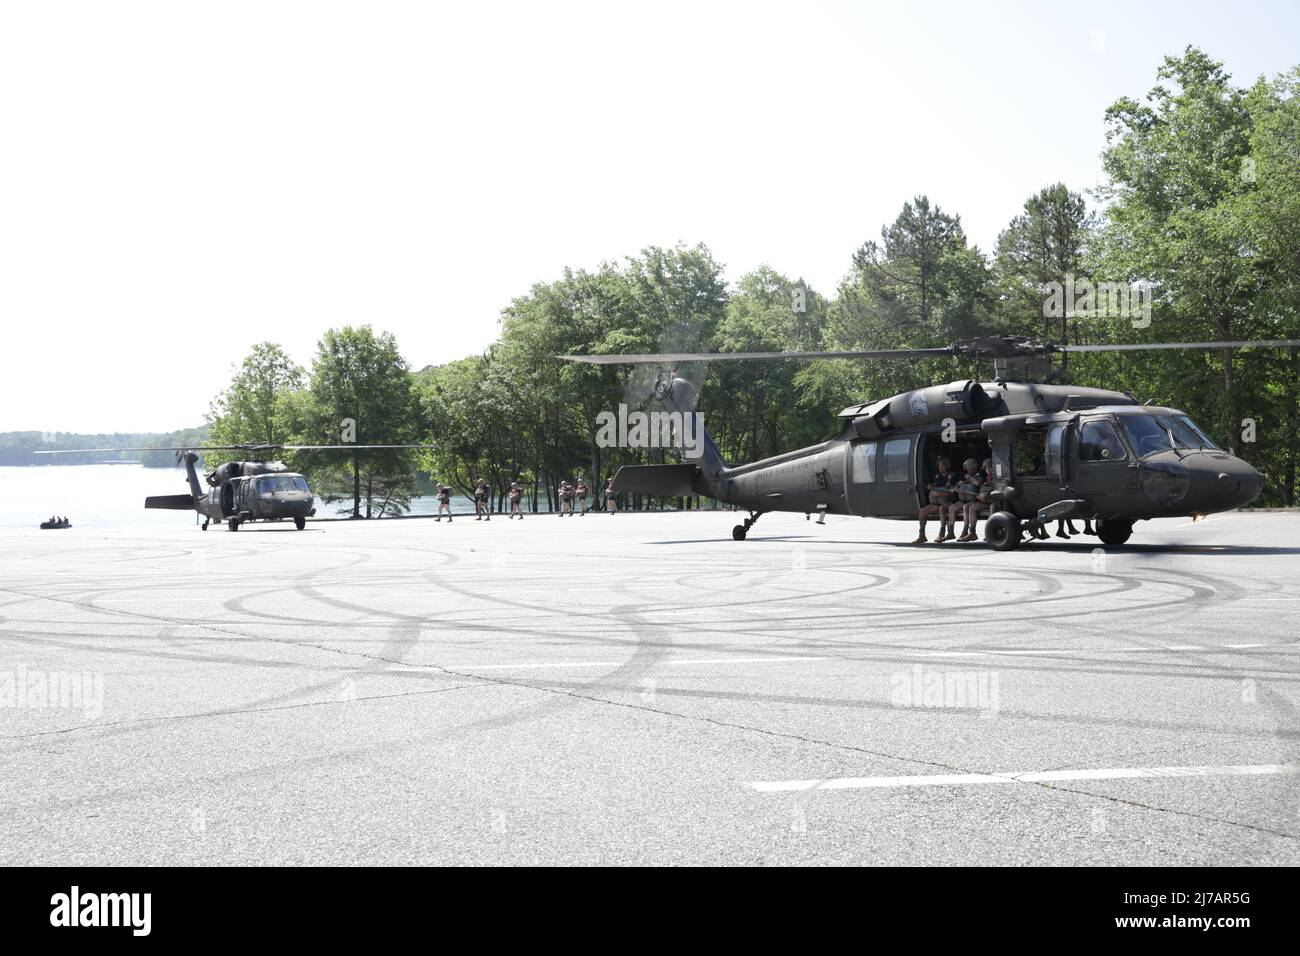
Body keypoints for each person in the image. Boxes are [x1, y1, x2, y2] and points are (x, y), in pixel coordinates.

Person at [912, 456, 957, 544]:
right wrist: (931, 488)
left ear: (948, 466)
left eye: (943, 466)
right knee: (922, 512)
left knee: (942, 509)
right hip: (937, 502)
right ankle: (922, 536)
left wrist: (939, 494)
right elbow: (935, 487)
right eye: (940, 466)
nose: (941, 468)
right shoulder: (937, 477)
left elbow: (953, 492)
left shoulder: (952, 477)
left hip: (949, 502)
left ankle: (942, 533)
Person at [951, 458, 984, 542]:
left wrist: (970, 477)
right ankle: (965, 531)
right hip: (965, 500)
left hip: (976, 500)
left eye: (968, 469)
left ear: (973, 467)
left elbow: (977, 483)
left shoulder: (979, 475)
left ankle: (971, 532)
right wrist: (958, 490)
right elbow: (954, 487)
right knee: (964, 507)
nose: (967, 471)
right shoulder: (965, 477)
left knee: (967, 507)